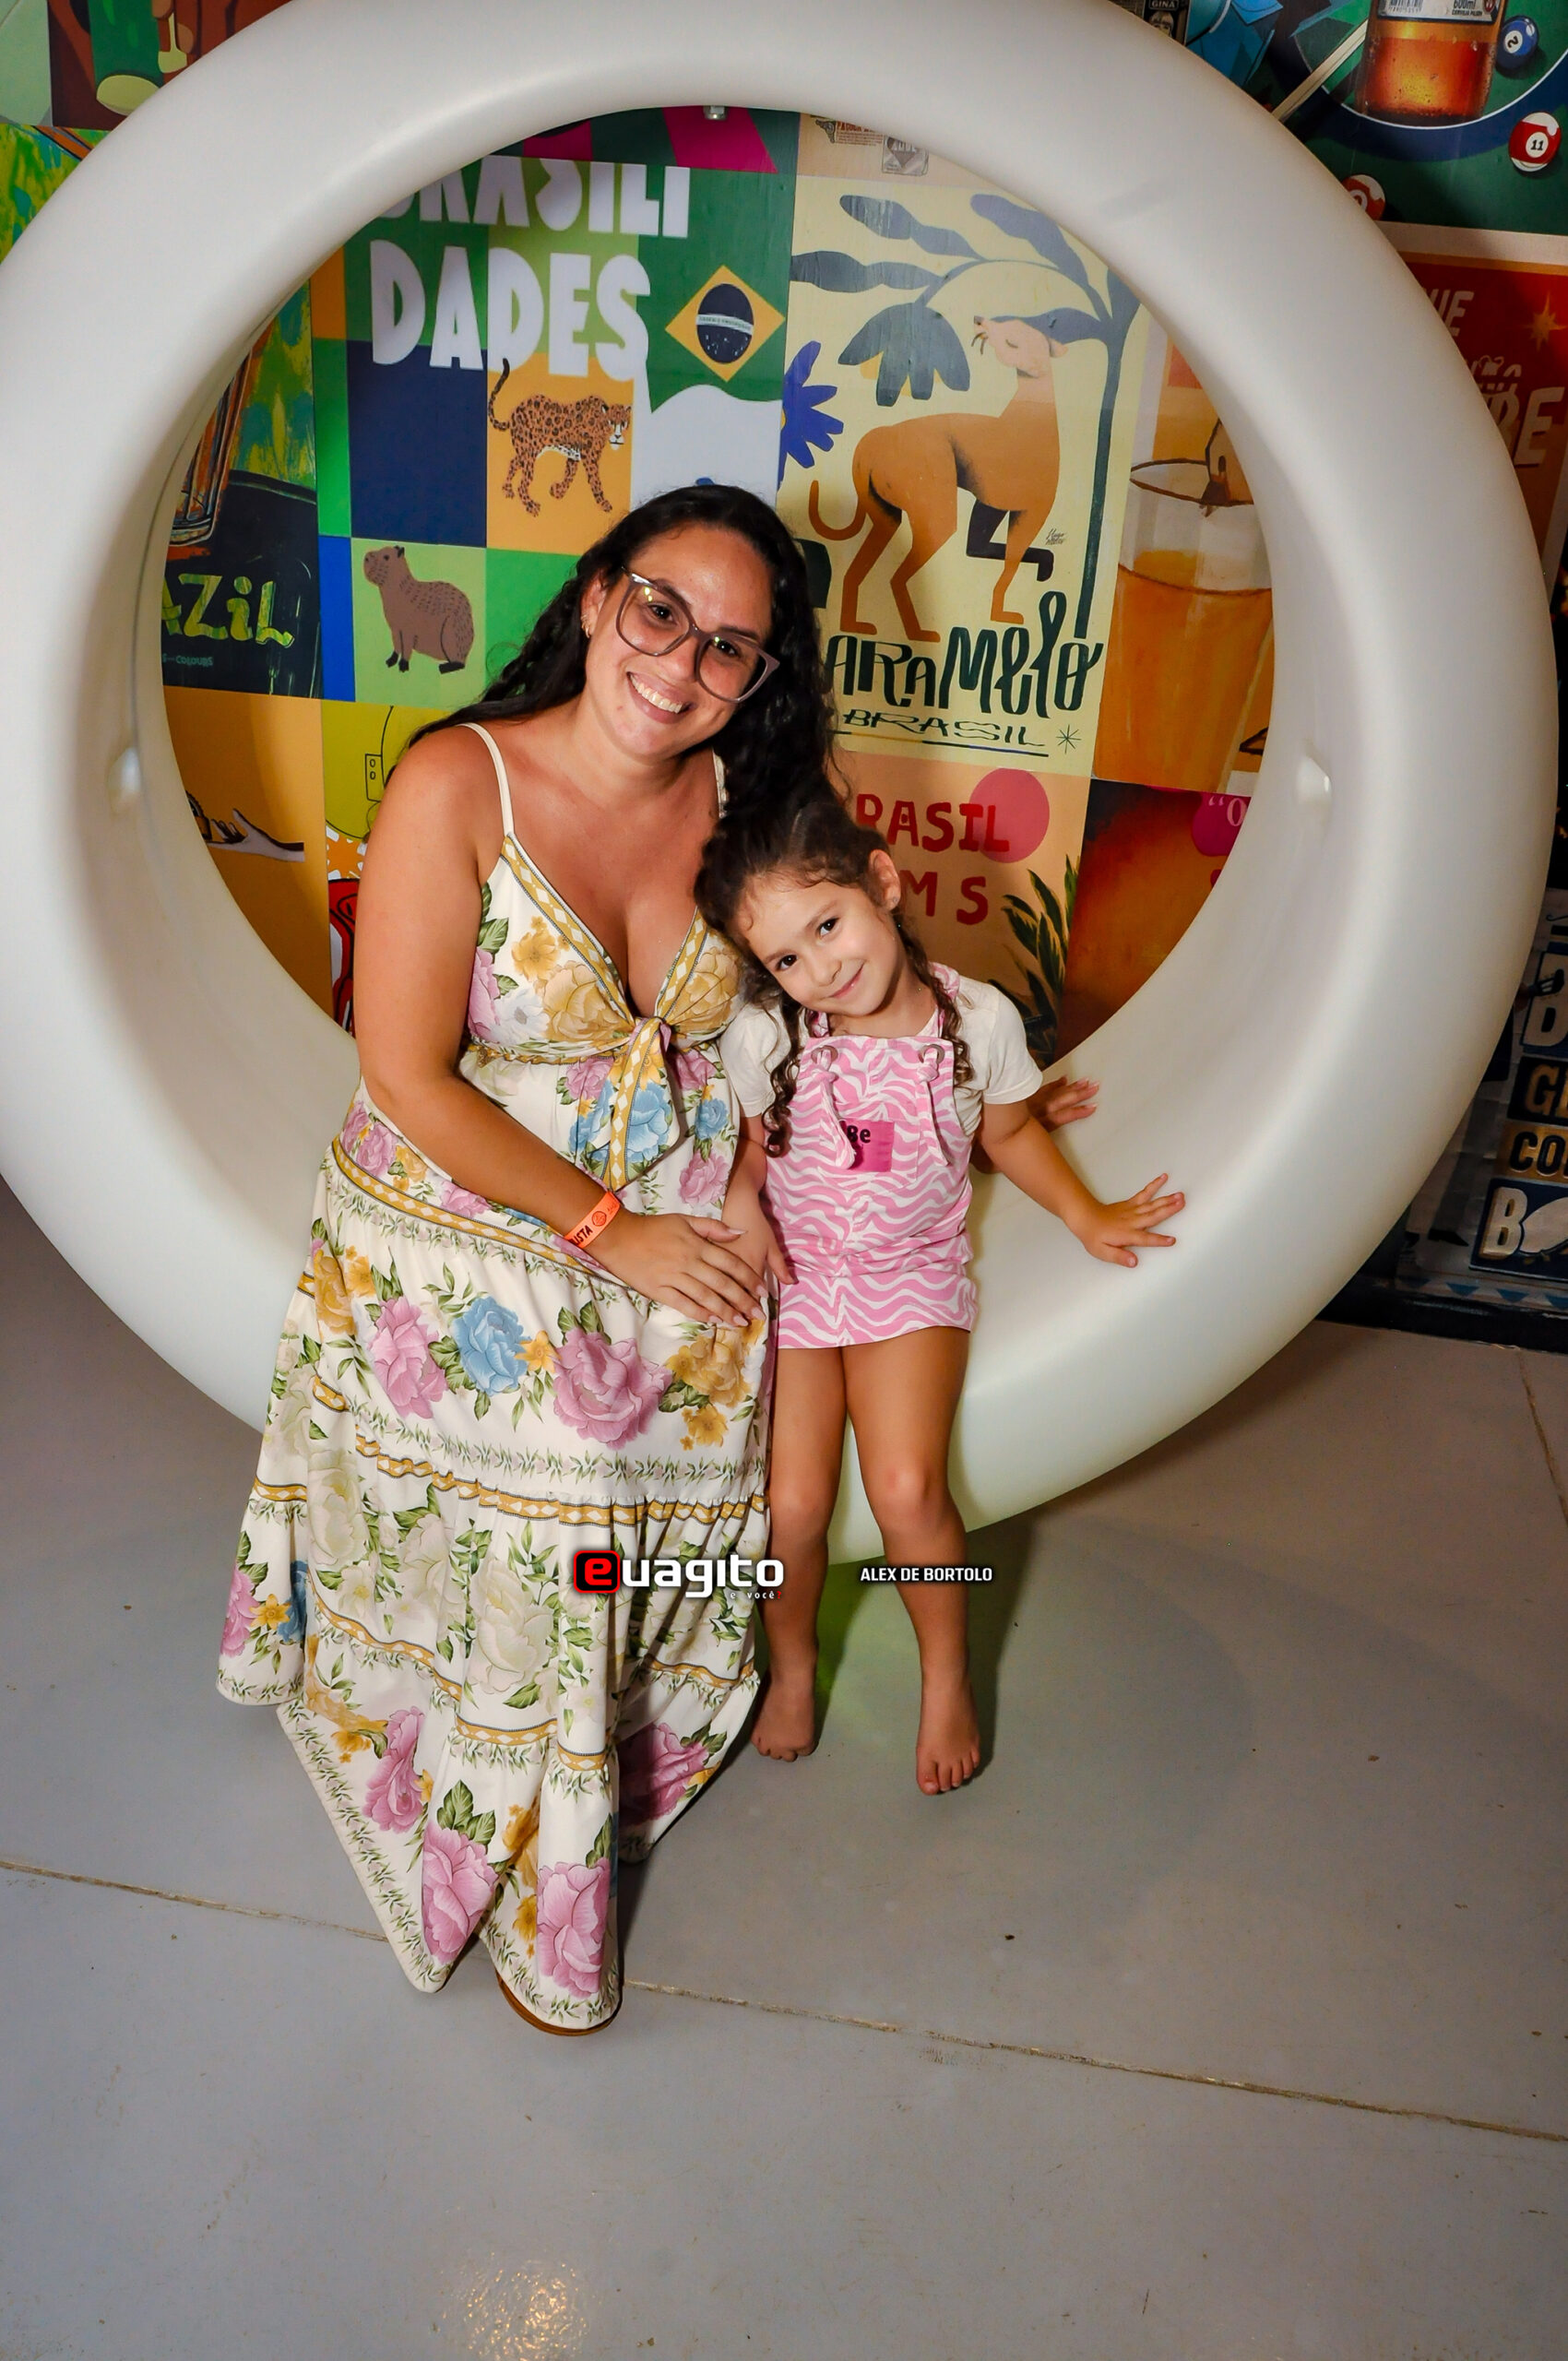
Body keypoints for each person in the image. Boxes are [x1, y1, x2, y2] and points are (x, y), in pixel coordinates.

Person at [217, 484, 834, 2033]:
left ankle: (637, 1713)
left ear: (759, 679)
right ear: (597, 593)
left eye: (731, 647)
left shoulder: (751, 794)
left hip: (671, 1174)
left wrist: (752, 1180)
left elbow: (797, 1012)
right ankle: (511, 1799)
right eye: (660, 610)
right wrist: (615, 1234)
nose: (681, 664)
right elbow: (406, 1078)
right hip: (461, 1178)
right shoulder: (458, 781)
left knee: (743, 1355)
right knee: (579, 1443)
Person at [697, 787, 1183, 1796]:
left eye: (827, 925)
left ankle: (946, 1674)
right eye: (785, 958)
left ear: (881, 882)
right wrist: (742, 1198)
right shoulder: (767, 1035)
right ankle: (793, 1665)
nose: (821, 968)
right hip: (798, 1281)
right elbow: (745, 1148)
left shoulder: (978, 1020)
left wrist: (1085, 1213)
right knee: (791, 1506)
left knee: (906, 1490)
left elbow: (1007, 1134)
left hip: (910, 1278)